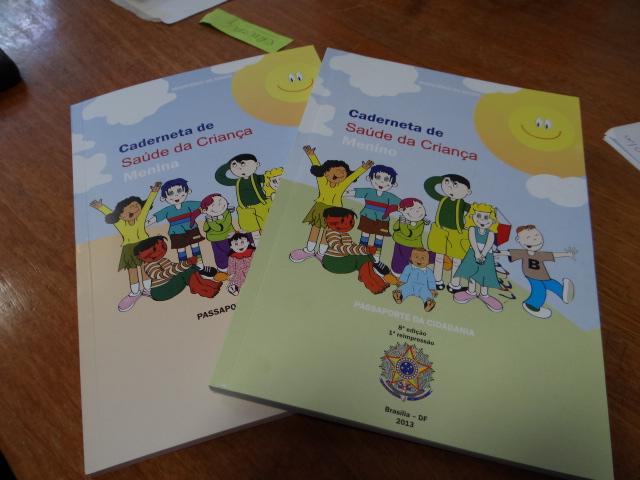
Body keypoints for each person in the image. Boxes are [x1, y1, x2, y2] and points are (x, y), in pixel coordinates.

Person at [290, 145, 373, 262]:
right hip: (320, 207)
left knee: (328, 231)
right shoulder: (322, 180)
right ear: (326, 172)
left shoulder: (342, 185)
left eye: (343, 172)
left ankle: (322, 252)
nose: (340, 173)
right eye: (337, 170)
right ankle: (309, 250)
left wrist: (363, 168)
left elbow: (352, 177)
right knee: (315, 228)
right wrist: (312, 155)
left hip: (335, 211)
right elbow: (318, 166)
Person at [89, 181, 160, 312]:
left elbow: (147, 204)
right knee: (132, 270)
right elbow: (109, 212)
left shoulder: (141, 218)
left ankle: (148, 289)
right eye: (130, 207)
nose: (135, 208)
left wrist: (154, 191)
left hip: (144, 245)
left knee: (145, 268)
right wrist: (100, 206)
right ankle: (134, 292)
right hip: (129, 249)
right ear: (121, 215)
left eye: (137, 205)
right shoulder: (120, 223)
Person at [498, 225, 576, 318]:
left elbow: (553, 255)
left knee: (553, 284)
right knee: (539, 290)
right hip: (532, 276)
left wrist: (567, 254)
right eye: (528, 237)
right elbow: (509, 253)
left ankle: (563, 294)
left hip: (544, 276)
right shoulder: (523, 253)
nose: (534, 239)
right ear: (519, 240)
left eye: (536, 235)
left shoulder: (540, 254)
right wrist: (497, 252)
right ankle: (531, 305)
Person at [321, 207, 392, 295]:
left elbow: (352, 246)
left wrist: (364, 250)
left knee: (365, 255)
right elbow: (340, 248)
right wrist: (363, 250)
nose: (347, 225)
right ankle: (372, 284)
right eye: (342, 221)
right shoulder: (332, 233)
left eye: (351, 222)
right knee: (362, 257)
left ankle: (372, 278)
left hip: (342, 259)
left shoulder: (344, 234)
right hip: (333, 262)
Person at [423, 174, 473, 293]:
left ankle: (454, 284)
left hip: (456, 234)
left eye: (455, 185)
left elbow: (475, 210)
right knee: (439, 257)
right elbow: (429, 186)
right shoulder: (443, 199)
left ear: (468, 192)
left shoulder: (462, 204)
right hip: (440, 231)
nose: (450, 188)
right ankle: (436, 281)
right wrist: (442, 179)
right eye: (447, 184)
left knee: (457, 260)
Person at [215, 153, 277, 245]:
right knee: (252, 228)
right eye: (235, 165)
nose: (239, 168)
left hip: (261, 205)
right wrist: (229, 164)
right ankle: (258, 243)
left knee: (266, 225)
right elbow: (220, 177)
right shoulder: (237, 182)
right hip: (246, 209)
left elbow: (269, 178)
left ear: (257, 164)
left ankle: (273, 241)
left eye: (243, 164)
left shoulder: (256, 177)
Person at [134, 236, 221, 300]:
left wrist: (186, 264)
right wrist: (185, 264)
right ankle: (204, 290)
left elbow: (174, 267)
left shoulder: (164, 260)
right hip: (162, 291)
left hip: (171, 285)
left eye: (163, 246)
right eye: (154, 250)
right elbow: (161, 275)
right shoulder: (149, 265)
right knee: (186, 270)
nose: (161, 251)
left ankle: (204, 284)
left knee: (189, 267)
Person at [452, 203, 503, 312]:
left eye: (486, 217)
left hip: (487, 256)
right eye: (478, 216)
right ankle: (471, 292)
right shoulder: (472, 229)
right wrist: (476, 253)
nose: (482, 220)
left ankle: (484, 295)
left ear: (493, 220)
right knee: (471, 273)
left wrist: (482, 254)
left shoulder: (490, 232)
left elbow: (489, 244)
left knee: (485, 275)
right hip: (473, 253)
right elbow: (472, 241)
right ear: (472, 216)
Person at [346, 165, 400, 261]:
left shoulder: (389, 196)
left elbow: (402, 205)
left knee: (379, 237)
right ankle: (361, 252)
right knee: (365, 235)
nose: (382, 182)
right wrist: (341, 192)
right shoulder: (368, 191)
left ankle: (376, 255)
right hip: (368, 217)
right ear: (369, 178)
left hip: (382, 220)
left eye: (386, 179)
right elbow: (353, 192)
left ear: (393, 184)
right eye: (378, 177)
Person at [147, 178, 204, 267]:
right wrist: (145, 224)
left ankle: (200, 265)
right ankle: (184, 267)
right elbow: (156, 218)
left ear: (188, 191)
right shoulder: (167, 210)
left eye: (179, 191)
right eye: (171, 193)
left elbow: (204, 204)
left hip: (192, 229)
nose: (176, 195)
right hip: (176, 233)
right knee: (181, 250)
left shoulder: (188, 204)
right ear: (163, 198)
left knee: (195, 246)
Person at [391, 198, 429, 275]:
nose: (417, 211)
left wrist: (403, 224)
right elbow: (395, 228)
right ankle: (395, 273)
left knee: (410, 261)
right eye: (412, 209)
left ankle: (409, 275)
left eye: (419, 208)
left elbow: (408, 234)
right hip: (399, 242)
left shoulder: (420, 223)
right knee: (397, 259)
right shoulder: (403, 219)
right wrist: (401, 221)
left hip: (412, 245)